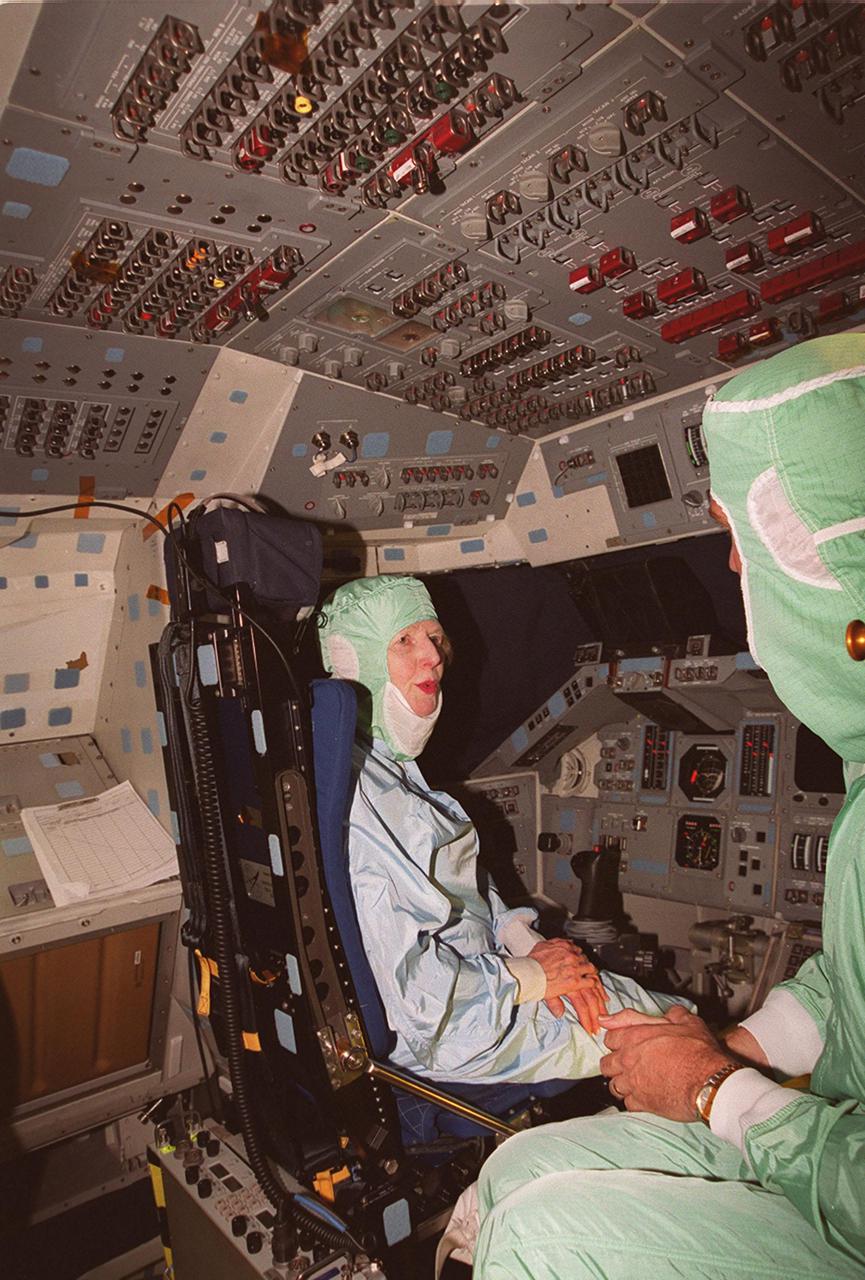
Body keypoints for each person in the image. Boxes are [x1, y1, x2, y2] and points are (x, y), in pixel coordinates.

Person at [472, 333, 865, 1278]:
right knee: (517, 1168)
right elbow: (849, 991)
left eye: (740, 537)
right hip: (817, 1130)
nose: (733, 569)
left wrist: (714, 1092)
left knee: (540, 1234)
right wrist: (735, 1046)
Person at [317, 575, 683, 1086]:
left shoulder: (381, 768)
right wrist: (533, 977)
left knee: (662, 1015)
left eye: (434, 638)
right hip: (457, 1029)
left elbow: (455, 890)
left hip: (483, 986)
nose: (432, 657)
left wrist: (523, 939)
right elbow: (416, 1001)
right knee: (673, 1038)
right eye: (404, 641)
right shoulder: (362, 802)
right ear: (354, 660)